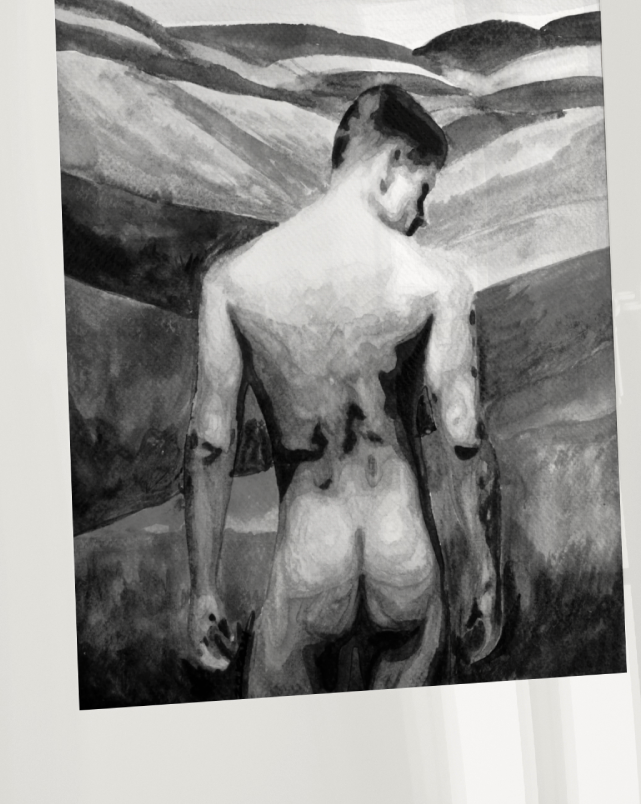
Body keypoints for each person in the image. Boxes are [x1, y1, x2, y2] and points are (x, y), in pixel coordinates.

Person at [184, 83, 504, 697]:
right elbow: (463, 439)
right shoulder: (438, 282)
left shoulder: (234, 280)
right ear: (391, 165)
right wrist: (482, 574)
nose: (423, 215)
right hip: (403, 558)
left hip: (308, 563)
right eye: (424, 188)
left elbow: (207, 445)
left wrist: (203, 590)